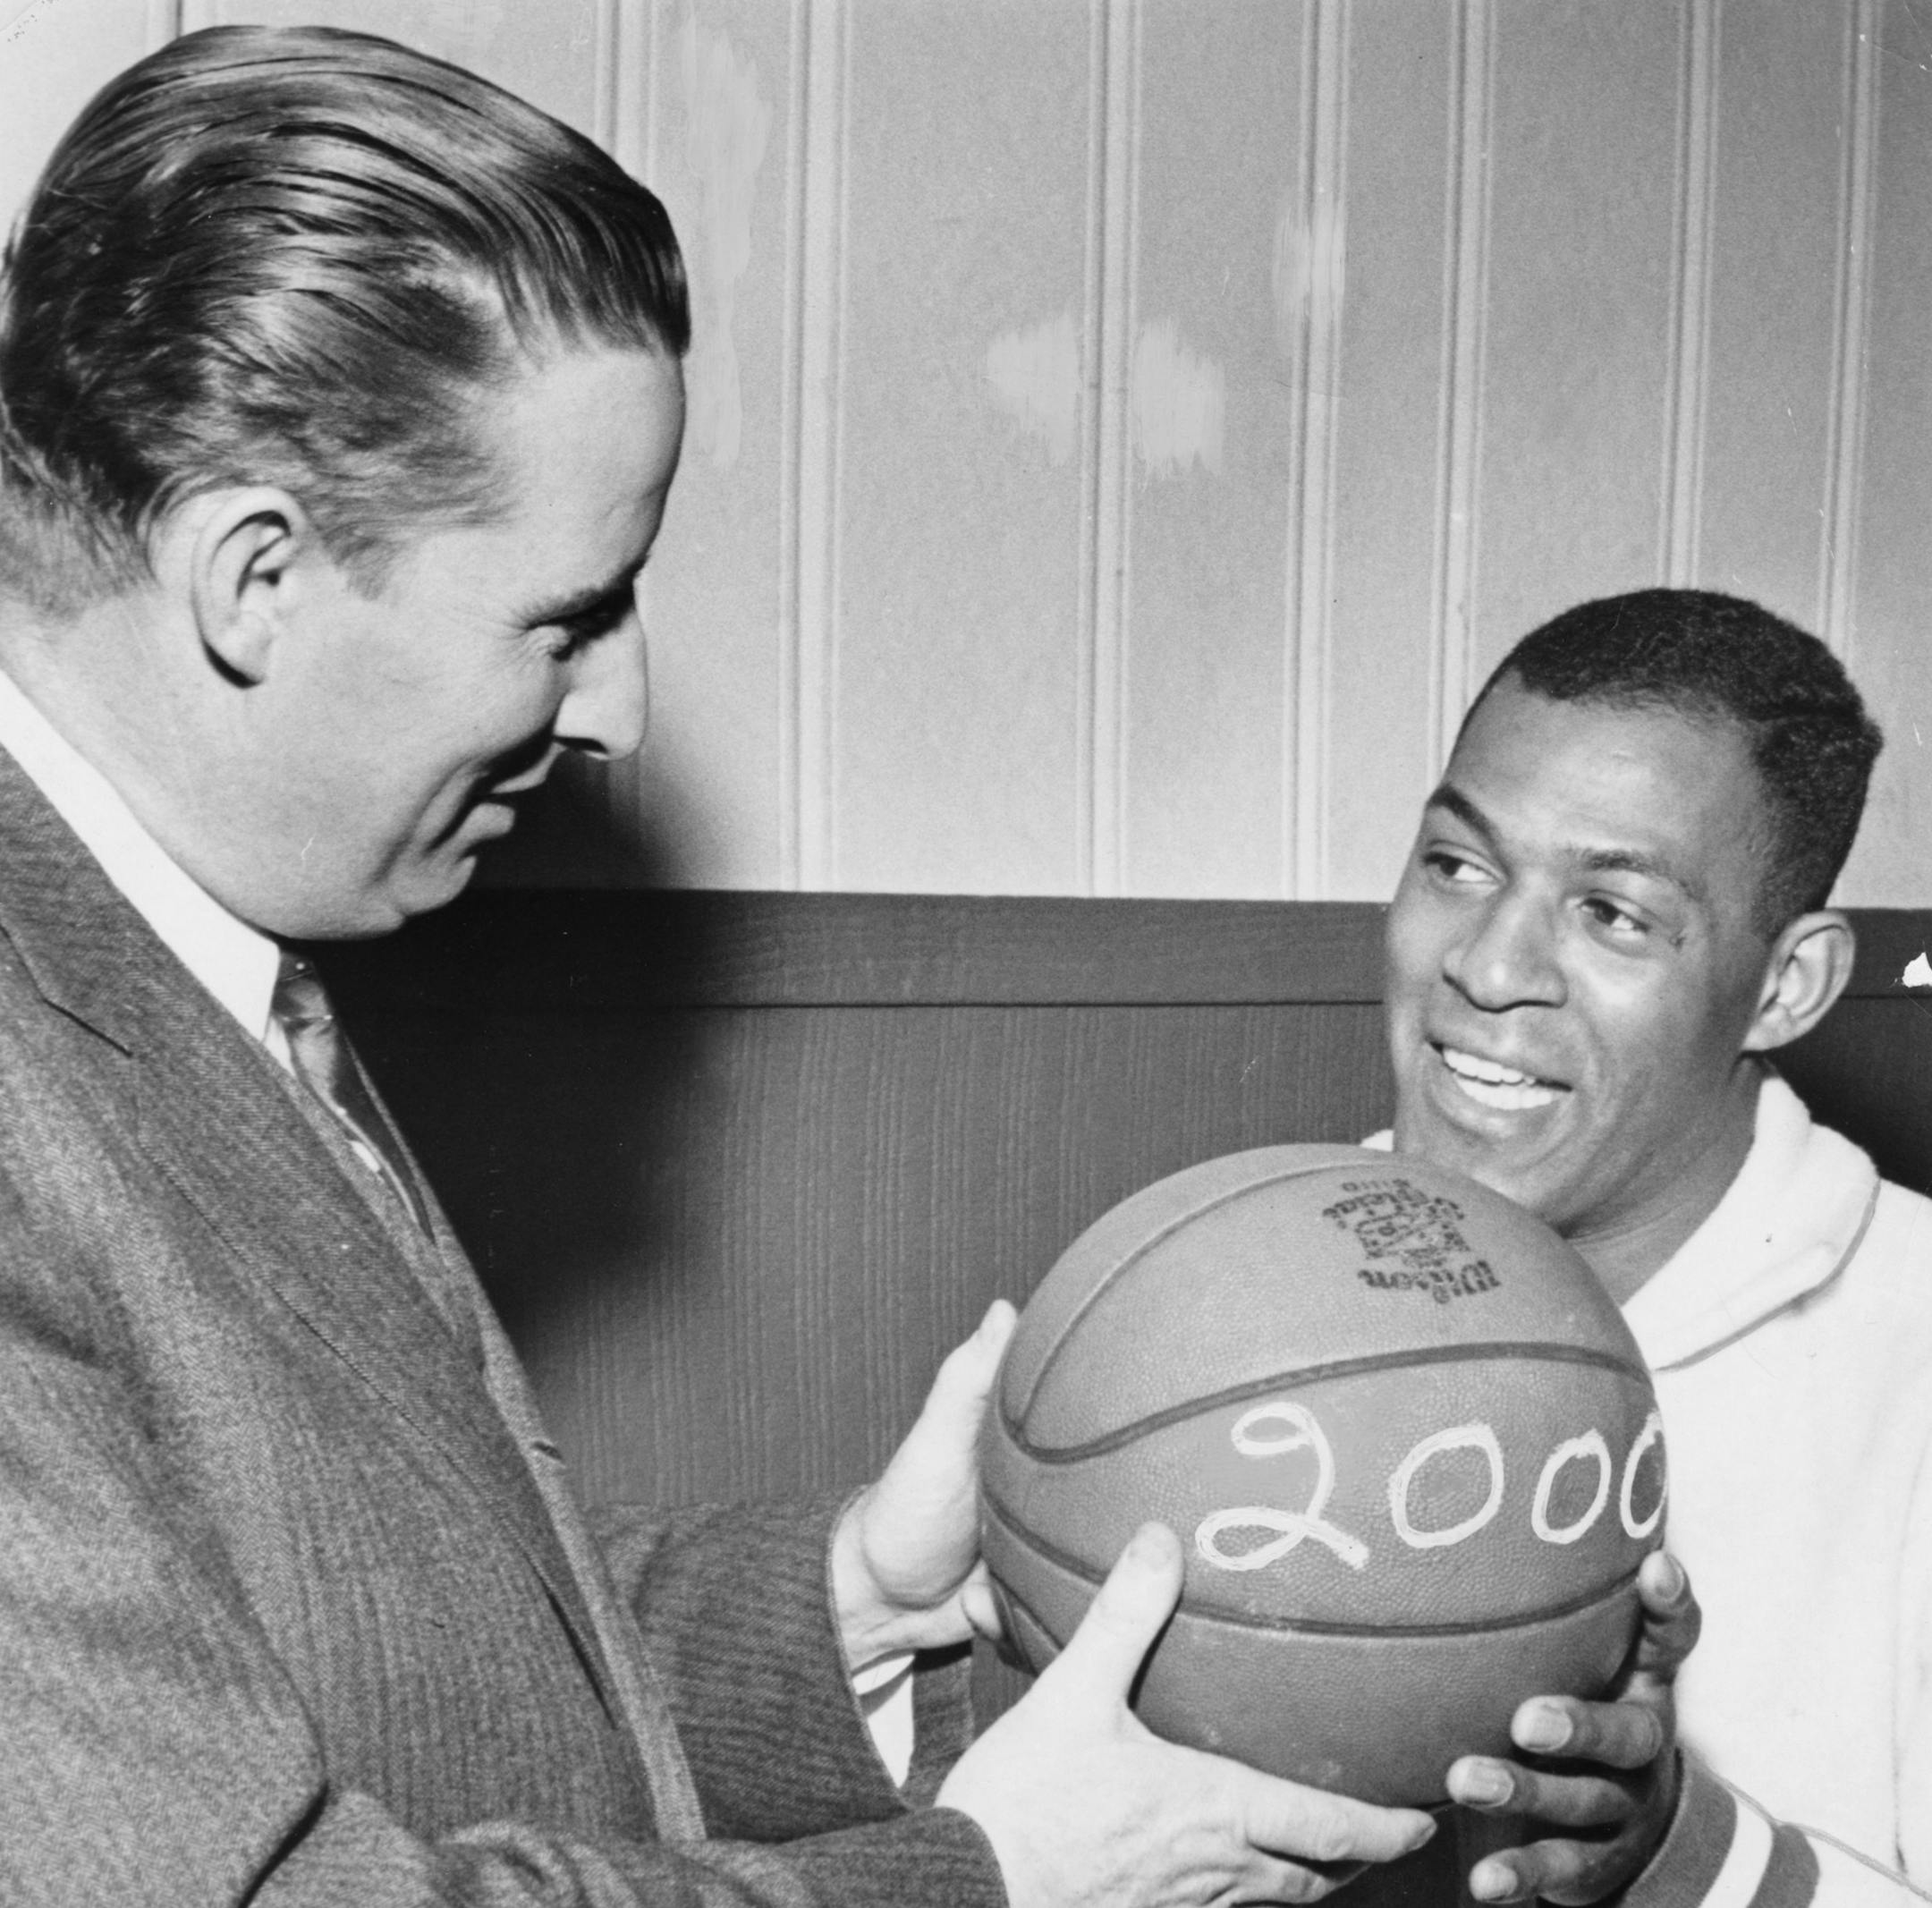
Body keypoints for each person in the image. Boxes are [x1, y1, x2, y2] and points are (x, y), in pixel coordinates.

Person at [0, 23, 1444, 1907]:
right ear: (254, 578)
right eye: (568, 617)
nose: (618, 707)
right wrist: (989, 1879)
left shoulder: (188, 928)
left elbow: (364, 1641)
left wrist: (856, 1596)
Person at [1378, 588, 1930, 1906]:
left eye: (1613, 913)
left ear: (1786, 986)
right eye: (1458, 866)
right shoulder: (1253, 1286)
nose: (1488, 968)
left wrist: (1683, 1852)